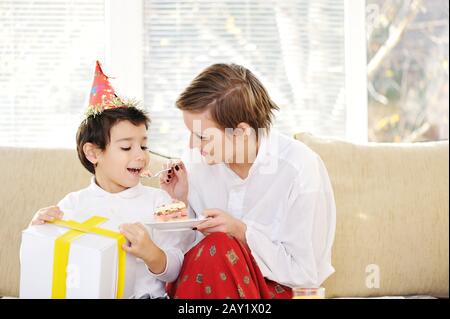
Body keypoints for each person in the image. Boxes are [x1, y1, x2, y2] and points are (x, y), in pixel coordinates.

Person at [160, 63, 336, 299]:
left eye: (202, 136)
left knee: (220, 246)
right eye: (190, 133)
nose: (192, 145)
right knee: (216, 249)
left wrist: (241, 233)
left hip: (270, 291)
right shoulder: (195, 162)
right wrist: (178, 202)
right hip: (203, 290)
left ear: (241, 132)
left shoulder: (299, 168)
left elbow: (306, 272)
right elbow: (182, 257)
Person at [26, 61, 194, 299]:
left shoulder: (160, 202)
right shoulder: (72, 205)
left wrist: (151, 253)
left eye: (144, 145)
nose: (141, 155)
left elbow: (177, 267)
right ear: (94, 153)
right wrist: (38, 229)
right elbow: (42, 264)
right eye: (126, 147)